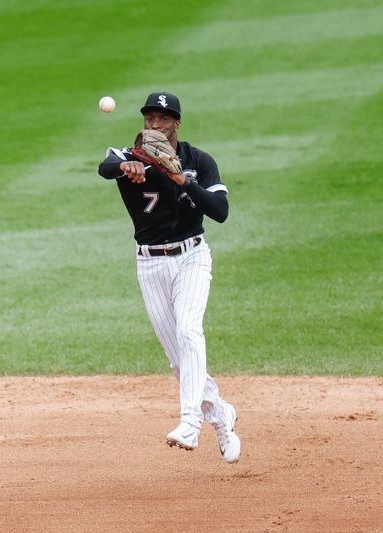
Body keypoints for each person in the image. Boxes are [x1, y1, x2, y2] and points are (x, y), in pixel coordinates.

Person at [97, 92, 241, 463]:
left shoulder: (198, 161)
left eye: (163, 119)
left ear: (177, 122)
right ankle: (221, 413)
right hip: (150, 265)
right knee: (179, 360)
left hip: (192, 257)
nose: (155, 125)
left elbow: (220, 211)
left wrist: (182, 180)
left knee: (189, 331)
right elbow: (106, 165)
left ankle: (190, 422)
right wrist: (124, 169)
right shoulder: (132, 155)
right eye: (149, 119)